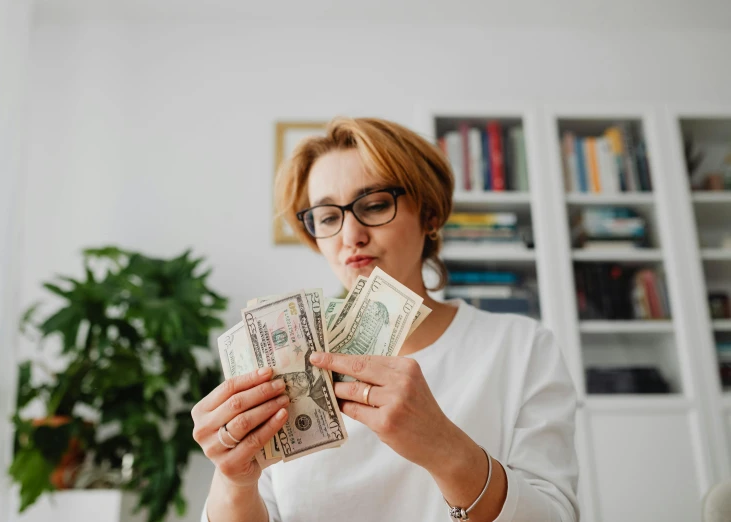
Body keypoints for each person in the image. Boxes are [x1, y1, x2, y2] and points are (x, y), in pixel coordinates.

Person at [191, 117, 580, 521]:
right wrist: (234, 483)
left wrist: (445, 448)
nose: (350, 235)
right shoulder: (280, 363)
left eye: (374, 205)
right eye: (327, 217)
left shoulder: (522, 346)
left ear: (429, 214)